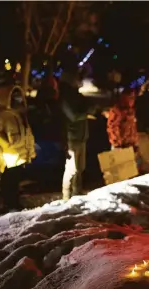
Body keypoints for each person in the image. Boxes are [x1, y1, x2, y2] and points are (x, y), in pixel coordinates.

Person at [0, 85, 36, 212]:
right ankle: (9, 204)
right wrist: (7, 145)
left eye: (19, 95)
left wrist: (30, 150)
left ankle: (14, 203)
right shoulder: (1, 115)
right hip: (10, 155)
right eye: (14, 96)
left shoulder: (20, 113)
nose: (18, 99)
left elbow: (27, 133)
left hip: (20, 154)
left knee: (15, 181)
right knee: (8, 181)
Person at [59, 66, 94, 200]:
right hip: (72, 138)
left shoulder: (77, 96)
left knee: (80, 168)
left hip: (81, 136)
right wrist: (86, 113)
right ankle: (67, 195)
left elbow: (88, 107)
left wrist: (88, 111)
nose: (79, 80)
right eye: (76, 78)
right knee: (71, 169)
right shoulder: (66, 98)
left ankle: (77, 192)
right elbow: (73, 116)